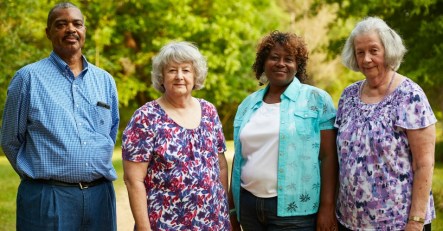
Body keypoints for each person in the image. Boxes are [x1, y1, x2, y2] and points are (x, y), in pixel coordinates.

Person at [0, 2, 119, 231]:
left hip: (100, 198)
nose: (70, 29)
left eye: (77, 24)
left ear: (84, 30)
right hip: (48, 198)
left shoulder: (105, 81)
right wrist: (43, 180)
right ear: (48, 32)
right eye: (61, 24)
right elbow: (10, 140)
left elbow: (110, 132)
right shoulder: (28, 79)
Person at [229, 30, 338, 231]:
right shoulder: (247, 104)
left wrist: (327, 207)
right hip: (248, 207)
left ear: (298, 66)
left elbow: (329, 156)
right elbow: (238, 158)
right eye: (274, 58)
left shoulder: (316, 100)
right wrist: (233, 210)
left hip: (295, 212)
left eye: (289, 59)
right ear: (263, 62)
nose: (281, 63)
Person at [335, 16, 436, 231]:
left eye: (373, 50)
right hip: (350, 222)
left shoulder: (410, 96)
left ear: (388, 50)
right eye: (360, 52)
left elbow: (424, 164)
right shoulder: (348, 96)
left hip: (399, 223)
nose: (366, 59)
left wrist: (416, 221)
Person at [122, 41, 231, 230]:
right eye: (172, 70)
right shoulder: (146, 117)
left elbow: (220, 165)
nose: (179, 76)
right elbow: (133, 180)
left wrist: (225, 214)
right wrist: (143, 228)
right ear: (161, 77)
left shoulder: (209, 111)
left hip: (213, 223)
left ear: (195, 74)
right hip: (166, 224)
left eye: (186, 70)